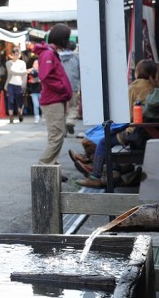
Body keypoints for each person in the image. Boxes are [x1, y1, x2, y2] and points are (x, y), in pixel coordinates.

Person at [76, 59, 158, 187]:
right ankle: (108, 170)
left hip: (136, 131)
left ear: (137, 72)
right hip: (144, 130)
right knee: (107, 136)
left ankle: (95, 176)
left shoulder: (135, 86)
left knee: (104, 141)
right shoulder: (152, 87)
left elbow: (124, 112)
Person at [28, 24, 73, 169]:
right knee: (57, 136)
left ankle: (51, 167)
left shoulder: (49, 53)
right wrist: (62, 90)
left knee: (56, 135)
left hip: (55, 99)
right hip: (53, 99)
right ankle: (43, 167)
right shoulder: (48, 54)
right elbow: (45, 76)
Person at [59, 40, 81, 135]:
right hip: (73, 85)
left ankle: (63, 131)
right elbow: (81, 71)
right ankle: (70, 121)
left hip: (60, 86)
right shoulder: (76, 57)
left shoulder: (59, 57)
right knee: (73, 106)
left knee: (62, 108)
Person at [4, 47, 27, 123]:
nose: (16, 56)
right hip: (10, 83)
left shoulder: (22, 63)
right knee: (11, 100)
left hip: (19, 84)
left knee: (19, 100)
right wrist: (24, 72)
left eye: (18, 54)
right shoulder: (8, 63)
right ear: (12, 55)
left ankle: (20, 113)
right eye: (15, 54)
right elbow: (11, 72)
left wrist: (24, 84)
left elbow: (25, 75)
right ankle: (11, 116)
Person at [27, 59, 42, 123]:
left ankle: (44, 116)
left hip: (41, 90)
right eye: (35, 63)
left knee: (42, 105)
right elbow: (31, 79)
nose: (36, 65)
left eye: (37, 64)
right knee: (36, 105)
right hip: (34, 91)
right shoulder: (31, 71)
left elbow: (40, 79)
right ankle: (37, 117)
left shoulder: (42, 70)